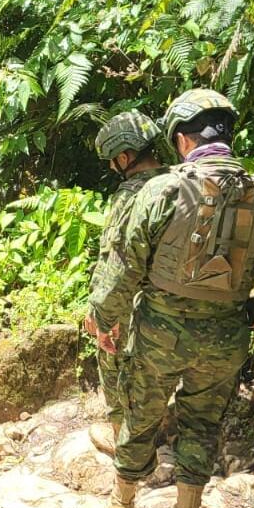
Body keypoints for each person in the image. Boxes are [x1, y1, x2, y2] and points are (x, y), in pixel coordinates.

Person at [87, 89, 254, 508]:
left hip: (157, 335)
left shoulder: (161, 191)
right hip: (226, 335)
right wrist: (250, 314)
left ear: (182, 141)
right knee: (202, 425)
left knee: (140, 417)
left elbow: (123, 270)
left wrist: (102, 320)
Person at [84, 110, 168, 456]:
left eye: (112, 161)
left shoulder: (131, 195)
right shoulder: (181, 184)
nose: (111, 168)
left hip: (137, 304)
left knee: (112, 359)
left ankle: (125, 440)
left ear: (124, 157)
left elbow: (116, 261)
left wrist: (101, 315)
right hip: (181, 305)